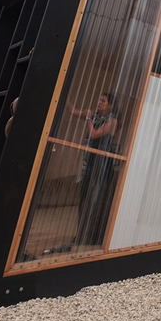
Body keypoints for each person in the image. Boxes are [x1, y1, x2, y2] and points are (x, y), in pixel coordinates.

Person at [65, 93, 119, 249]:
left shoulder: (112, 121)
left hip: (101, 165)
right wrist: (65, 96)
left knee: (95, 199)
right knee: (84, 198)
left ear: (110, 105)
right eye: (99, 99)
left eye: (102, 101)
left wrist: (88, 119)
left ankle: (94, 235)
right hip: (88, 163)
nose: (98, 102)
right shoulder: (93, 115)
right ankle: (82, 233)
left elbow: (93, 134)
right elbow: (72, 111)